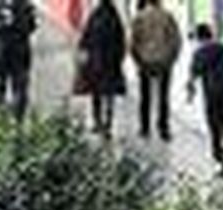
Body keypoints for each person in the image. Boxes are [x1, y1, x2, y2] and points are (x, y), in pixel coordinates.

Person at [187, 23, 223, 175]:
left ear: (198, 38)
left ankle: (219, 160)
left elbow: (192, 76)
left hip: (213, 95)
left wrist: (190, 94)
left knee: (215, 127)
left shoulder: (200, 53)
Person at [74, 0, 127, 140]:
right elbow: (121, 41)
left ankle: (98, 122)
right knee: (109, 95)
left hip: (96, 63)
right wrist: (119, 59)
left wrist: (83, 54)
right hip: (110, 63)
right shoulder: (115, 18)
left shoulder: (95, 16)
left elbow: (85, 38)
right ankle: (107, 124)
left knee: (96, 93)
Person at [129, 0, 181, 142]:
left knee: (145, 96)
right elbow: (175, 39)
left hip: (145, 61)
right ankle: (163, 128)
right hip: (164, 62)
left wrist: (138, 60)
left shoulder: (139, 18)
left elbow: (133, 41)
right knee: (163, 97)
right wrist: (171, 59)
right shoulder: (168, 16)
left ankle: (145, 128)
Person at [0, 0, 37, 121]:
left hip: (19, 55)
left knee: (20, 88)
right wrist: (2, 25)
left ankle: (19, 119)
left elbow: (31, 27)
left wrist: (16, 23)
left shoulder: (25, 6)